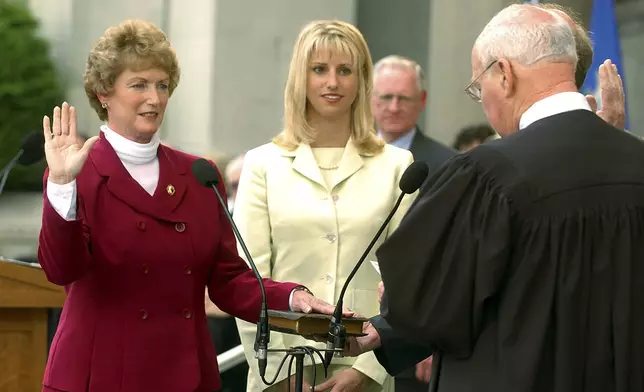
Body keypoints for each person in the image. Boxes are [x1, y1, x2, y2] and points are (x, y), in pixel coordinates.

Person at [347, 4, 644, 391]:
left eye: (477, 87)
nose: (483, 103)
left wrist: (400, 297)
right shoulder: (636, 163)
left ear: (503, 74)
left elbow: (427, 306)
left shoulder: (487, 174)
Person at [37, 19, 341, 392]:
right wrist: (62, 184)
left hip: (183, 374)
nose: (154, 98)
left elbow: (230, 281)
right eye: (138, 85)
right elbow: (60, 268)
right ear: (104, 93)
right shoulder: (77, 172)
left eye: (162, 85)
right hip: (98, 375)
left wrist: (293, 297)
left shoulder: (198, 174)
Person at [233, 20, 416, 392]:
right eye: (319, 69)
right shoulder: (262, 164)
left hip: (366, 370)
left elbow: (408, 281)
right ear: (301, 78)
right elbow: (247, 280)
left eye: (344, 70)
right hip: (280, 372)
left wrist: (369, 370)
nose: (332, 82)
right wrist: (280, 374)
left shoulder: (397, 165)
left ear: (361, 80)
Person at [372, 55, 455, 172]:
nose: (394, 108)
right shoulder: (351, 156)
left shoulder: (448, 164)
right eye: (386, 97)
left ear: (422, 100)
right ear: (369, 98)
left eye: (404, 98)